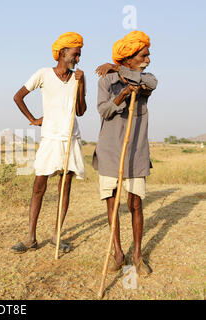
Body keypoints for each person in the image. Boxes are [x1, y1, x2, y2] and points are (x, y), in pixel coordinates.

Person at [10, 32, 87, 254]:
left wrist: (80, 85)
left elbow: (80, 111)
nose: (78, 58)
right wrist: (33, 120)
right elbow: (18, 96)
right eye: (75, 54)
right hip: (51, 138)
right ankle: (30, 238)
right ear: (63, 53)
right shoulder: (43, 74)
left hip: (71, 138)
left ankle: (56, 236)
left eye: (79, 54)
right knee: (38, 187)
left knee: (65, 188)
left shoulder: (78, 77)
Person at [93, 30, 158, 275]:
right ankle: (118, 254)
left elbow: (151, 83)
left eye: (147, 55)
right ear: (129, 57)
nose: (147, 60)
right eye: (143, 55)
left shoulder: (145, 80)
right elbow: (105, 111)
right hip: (110, 150)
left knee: (135, 203)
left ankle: (137, 256)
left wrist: (118, 69)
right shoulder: (106, 82)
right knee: (112, 203)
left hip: (136, 151)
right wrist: (121, 94)